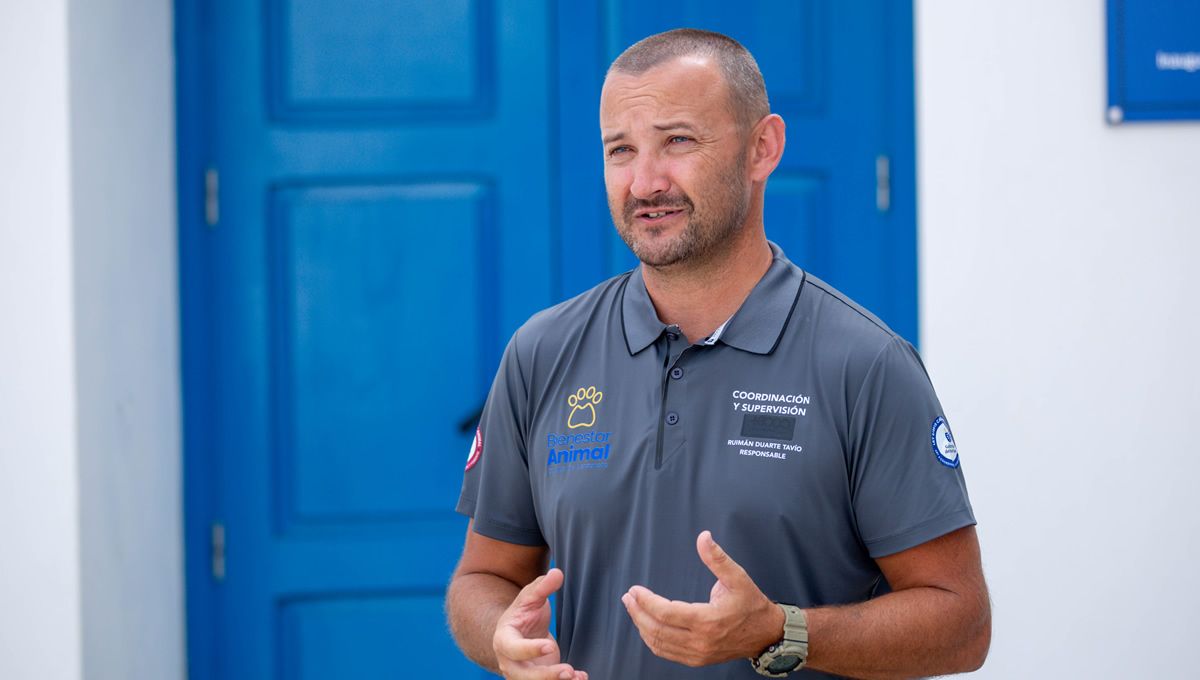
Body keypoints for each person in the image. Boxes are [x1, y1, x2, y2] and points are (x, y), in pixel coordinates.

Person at [445, 28, 990, 679]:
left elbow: (962, 625)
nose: (645, 182)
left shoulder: (865, 365)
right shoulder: (543, 351)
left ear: (763, 148)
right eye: (621, 150)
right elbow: (483, 576)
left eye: (678, 141)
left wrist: (779, 631)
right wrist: (501, 635)